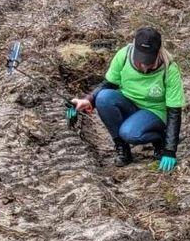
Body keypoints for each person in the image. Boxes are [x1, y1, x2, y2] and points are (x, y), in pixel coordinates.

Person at [72, 26, 183, 170]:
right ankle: (122, 148)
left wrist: (170, 150)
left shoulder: (170, 70)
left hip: (154, 111)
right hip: (129, 104)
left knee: (130, 133)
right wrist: (89, 100)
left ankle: (158, 138)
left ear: (158, 53)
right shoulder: (123, 56)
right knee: (103, 98)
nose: (143, 65)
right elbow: (108, 84)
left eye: (148, 61)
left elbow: (174, 111)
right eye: (140, 59)